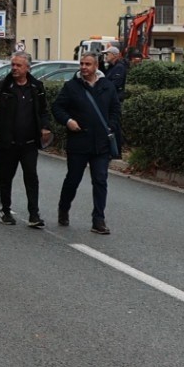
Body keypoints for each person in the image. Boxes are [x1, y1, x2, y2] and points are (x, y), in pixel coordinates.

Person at [53, 53, 119, 234]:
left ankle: (98, 219)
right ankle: (64, 208)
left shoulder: (107, 86)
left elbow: (115, 109)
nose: (83, 67)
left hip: (101, 144)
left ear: (96, 66)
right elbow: (57, 107)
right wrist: (68, 121)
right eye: (81, 63)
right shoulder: (71, 87)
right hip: (79, 142)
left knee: (100, 180)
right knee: (73, 179)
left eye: (87, 64)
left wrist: (110, 126)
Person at [0, 54, 52, 227]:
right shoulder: (1, 87)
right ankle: (5, 211)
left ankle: (34, 215)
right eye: (13, 65)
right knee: (6, 178)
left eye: (18, 65)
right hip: (7, 142)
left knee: (31, 177)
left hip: (29, 142)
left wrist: (45, 127)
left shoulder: (36, 87)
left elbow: (43, 111)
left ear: (27, 68)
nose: (14, 68)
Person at [103, 45, 128, 153]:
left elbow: (115, 84)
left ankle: (116, 149)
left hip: (115, 100)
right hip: (110, 99)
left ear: (114, 55)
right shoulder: (111, 67)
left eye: (107, 54)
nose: (106, 56)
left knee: (115, 124)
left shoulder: (119, 67)